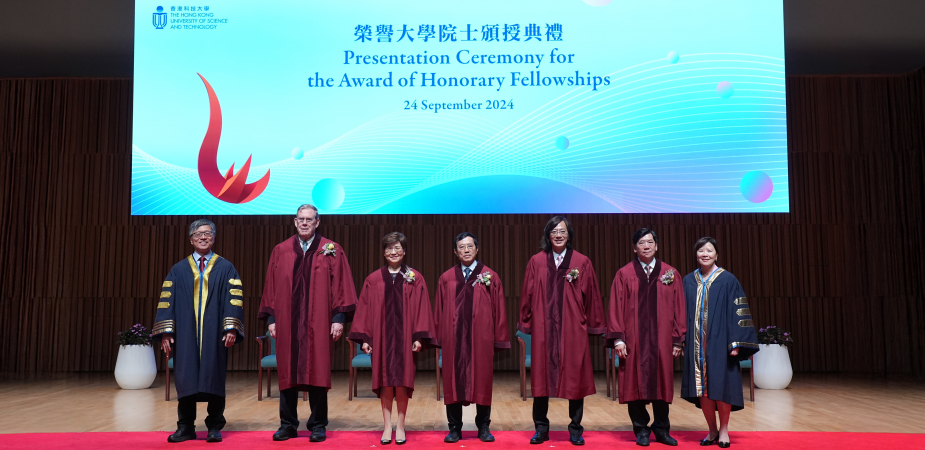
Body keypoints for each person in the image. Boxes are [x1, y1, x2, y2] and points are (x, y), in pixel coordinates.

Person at [258, 204, 357, 442]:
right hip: (287, 322)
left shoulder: (331, 250)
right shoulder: (281, 250)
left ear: (317, 222)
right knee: (287, 372)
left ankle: (318, 424)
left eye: (309, 219)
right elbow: (271, 286)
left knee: (317, 370)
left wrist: (338, 319)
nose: (304, 223)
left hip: (319, 323)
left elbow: (341, 286)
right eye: (301, 219)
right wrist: (271, 319)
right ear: (294, 221)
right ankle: (288, 424)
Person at [152, 219, 244, 443]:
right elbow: (167, 301)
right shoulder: (179, 269)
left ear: (213, 237)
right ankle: (185, 427)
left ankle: (214, 426)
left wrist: (231, 327)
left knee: (214, 375)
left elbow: (234, 299)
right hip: (185, 334)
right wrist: (166, 331)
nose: (203, 237)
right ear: (191, 239)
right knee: (186, 378)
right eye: (198, 234)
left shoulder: (225, 267)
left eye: (207, 233)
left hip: (215, 334)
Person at [518, 216, 606, 446]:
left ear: (569, 235)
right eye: (554, 231)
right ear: (548, 235)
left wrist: (592, 324)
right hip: (543, 330)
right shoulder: (536, 261)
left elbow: (593, 296)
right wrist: (526, 322)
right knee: (541, 380)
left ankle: (575, 429)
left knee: (575, 380)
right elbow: (527, 294)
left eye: (563, 231)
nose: (558, 235)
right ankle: (541, 428)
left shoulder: (581, 261)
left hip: (572, 330)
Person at [348, 232, 436, 445]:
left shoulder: (415, 277)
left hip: (406, 340)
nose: (393, 252)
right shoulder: (374, 279)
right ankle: (387, 426)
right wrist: (366, 339)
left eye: (397, 248)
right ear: (384, 252)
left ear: (404, 251)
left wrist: (418, 337)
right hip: (381, 340)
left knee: (403, 383)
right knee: (385, 382)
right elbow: (365, 311)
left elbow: (422, 308)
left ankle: (401, 426)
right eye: (389, 248)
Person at [606, 228, 686, 447]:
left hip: (661, 341)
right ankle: (641, 429)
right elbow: (615, 307)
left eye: (650, 242)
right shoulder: (624, 274)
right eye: (641, 243)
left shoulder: (670, 273)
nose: (647, 246)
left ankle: (661, 429)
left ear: (657, 246)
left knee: (662, 385)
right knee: (634, 384)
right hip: (634, 341)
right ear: (634, 248)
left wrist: (678, 340)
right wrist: (618, 339)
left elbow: (680, 308)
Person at [680, 237, 759, 448]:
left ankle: (724, 430)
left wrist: (735, 343)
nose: (704, 254)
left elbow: (738, 312)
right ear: (695, 254)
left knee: (721, 387)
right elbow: (679, 313)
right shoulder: (688, 280)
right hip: (696, 345)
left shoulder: (728, 280)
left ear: (716, 254)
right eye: (701, 250)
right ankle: (712, 430)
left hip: (721, 345)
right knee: (703, 389)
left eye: (709, 250)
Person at [434, 232, 511, 444]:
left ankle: (483, 427)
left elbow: (500, 310)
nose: (466, 250)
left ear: (477, 249)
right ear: (455, 252)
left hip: (481, 340)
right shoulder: (446, 278)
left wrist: (498, 338)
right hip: (453, 340)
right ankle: (454, 428)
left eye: (470, 246)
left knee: (482, 381)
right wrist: (439, 338)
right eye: (461, 247)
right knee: (452, 381)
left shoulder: (490, 276)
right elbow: (439, 310)